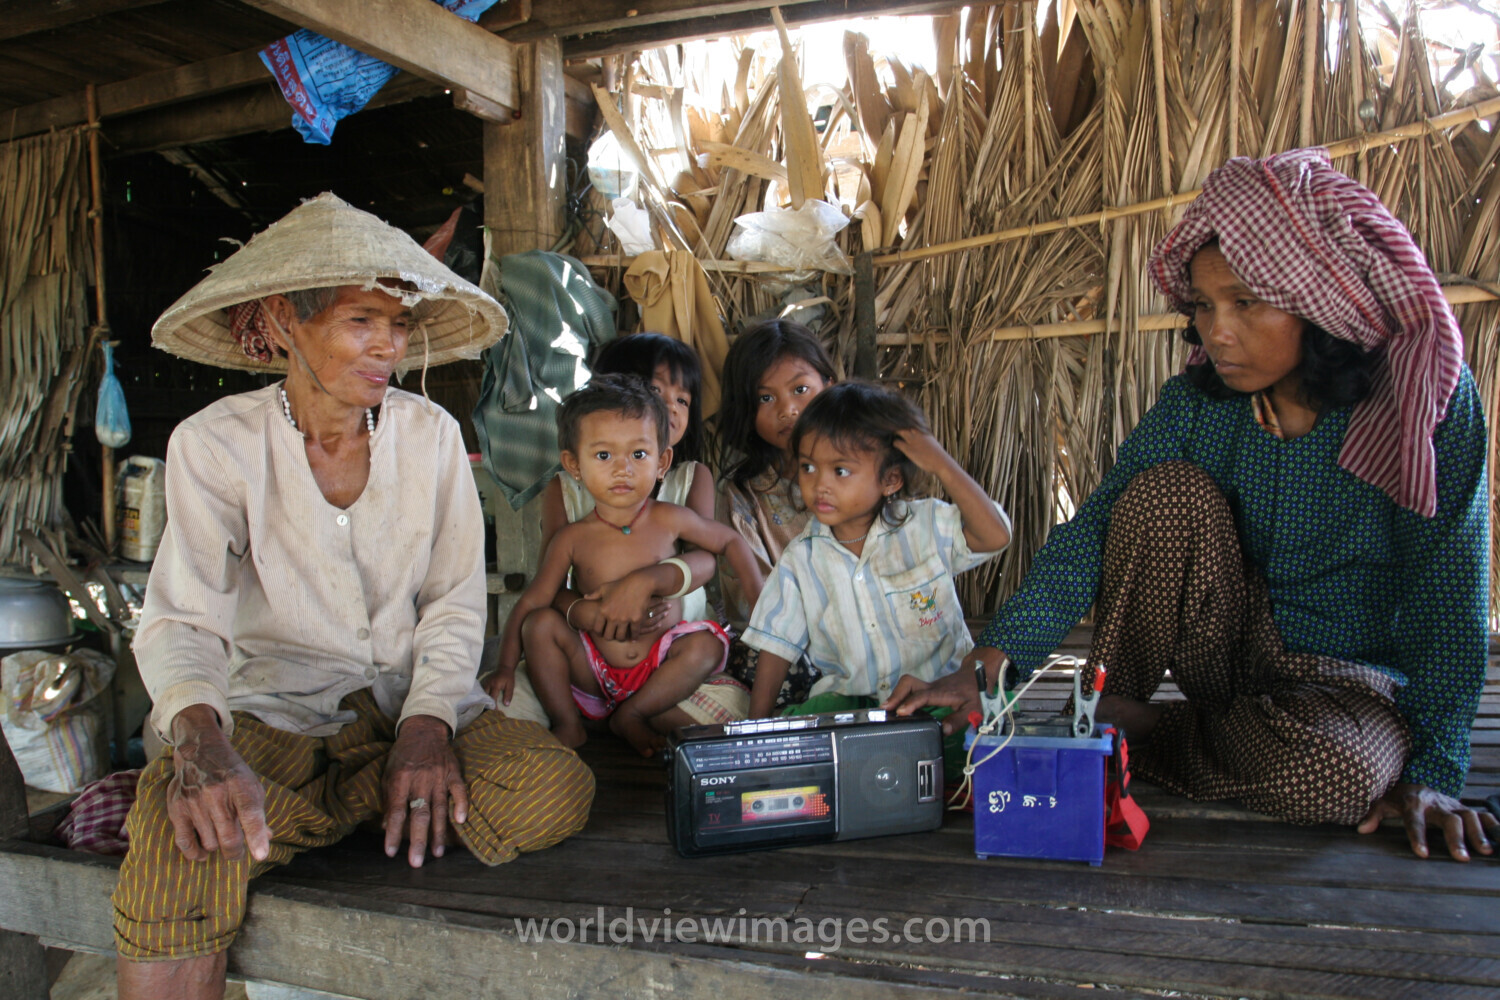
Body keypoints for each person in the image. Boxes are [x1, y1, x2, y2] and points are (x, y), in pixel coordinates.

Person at [887, 150, 1499, 861]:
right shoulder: (1196, 406)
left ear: (1320, 300)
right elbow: (1092, 532)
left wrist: (1432, 774)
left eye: (1246, 302)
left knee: (1338, 776)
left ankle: (1146, 733)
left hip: (1351, 686)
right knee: (1158, 497)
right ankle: (1107, 714)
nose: (1218, 331)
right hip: (1229, 653)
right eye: (1204, 305)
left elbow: (1448, 595)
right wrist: (986, 667)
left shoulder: (1427, 406)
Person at [113, 194, 595, 1000]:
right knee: (179, 837)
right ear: (284, 318)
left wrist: (429, 725)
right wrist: (198, 741)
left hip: (407, 708)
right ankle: (335, 809)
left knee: (553, 788)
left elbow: (450, 603)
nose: (391, 347)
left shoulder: (431, 434)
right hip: (278, 716)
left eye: (400, 325)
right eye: (362, 321)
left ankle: (318, 815)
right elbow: (182, 617)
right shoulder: (214, 444)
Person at [743, 381, 1011, 777]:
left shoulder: (925, 526)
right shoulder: (802, 557)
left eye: (841, 470)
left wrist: (941, 464)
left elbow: (996, 536)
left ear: (890, 480)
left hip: (934, 695)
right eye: (808, 467)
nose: (820, 484)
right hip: (853, 707)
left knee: (991, 723)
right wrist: (755, 733)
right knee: (804, 729)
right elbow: (776, 646)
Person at [488, 375, 765, 756]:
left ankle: (632, 713)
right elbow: (535, 600)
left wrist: (763, 608)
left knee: (705, 645)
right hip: (591, 666)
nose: (623, 469)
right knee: (540, 627)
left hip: (662, 662)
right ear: (574, 465)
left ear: (662, 461)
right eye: (604, 456)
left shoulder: (671, 517)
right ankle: (569, 722)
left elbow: (730, 541)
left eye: (638, 455)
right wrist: (504, 666)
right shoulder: (572, 538)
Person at [716, 320, 836, 708]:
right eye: (765, 398)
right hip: (787, 644)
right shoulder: (743, 494)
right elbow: (757, 607)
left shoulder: (865, 472)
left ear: (829, 386)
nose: (788, 409)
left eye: (800, 389)